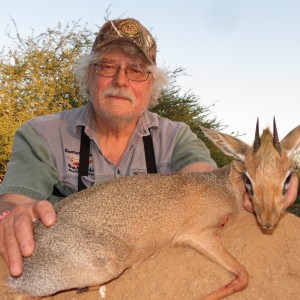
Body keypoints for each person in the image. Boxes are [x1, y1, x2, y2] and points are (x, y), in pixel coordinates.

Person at [0, 18, 297, 278]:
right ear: (88, 75)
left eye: (136, 70)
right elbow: (13, 204)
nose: (120, 80)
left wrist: (260, 186)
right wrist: (13, 214)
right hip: (74, 261)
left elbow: (206, 181)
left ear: (152, 86)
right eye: (107, 66)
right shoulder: (42, 133)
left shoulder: (175, 136)